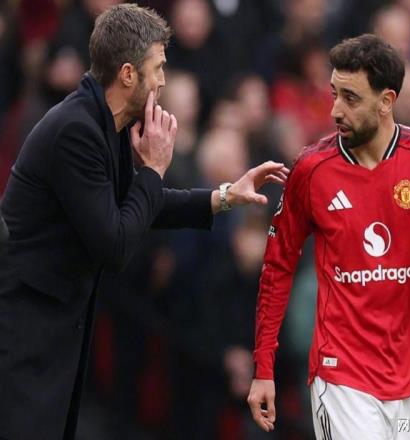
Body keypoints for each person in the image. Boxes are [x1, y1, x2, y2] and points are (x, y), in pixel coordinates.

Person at [0, 4, 288, 440]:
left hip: (53, 329)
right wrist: (153, 168)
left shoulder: (105, 123)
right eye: (158, 68)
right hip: (25, 335)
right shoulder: (76, 131)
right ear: (128, 74)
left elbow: (139, 204)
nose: (163, 81)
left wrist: (226, 195)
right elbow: (115, 244)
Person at [247, 34, 410, 439]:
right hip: (340, 375)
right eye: (334, 94)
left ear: (386, 101)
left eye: (350, 98)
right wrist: (263, 367)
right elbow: (277, 266)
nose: (335, 110)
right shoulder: (311, 169)